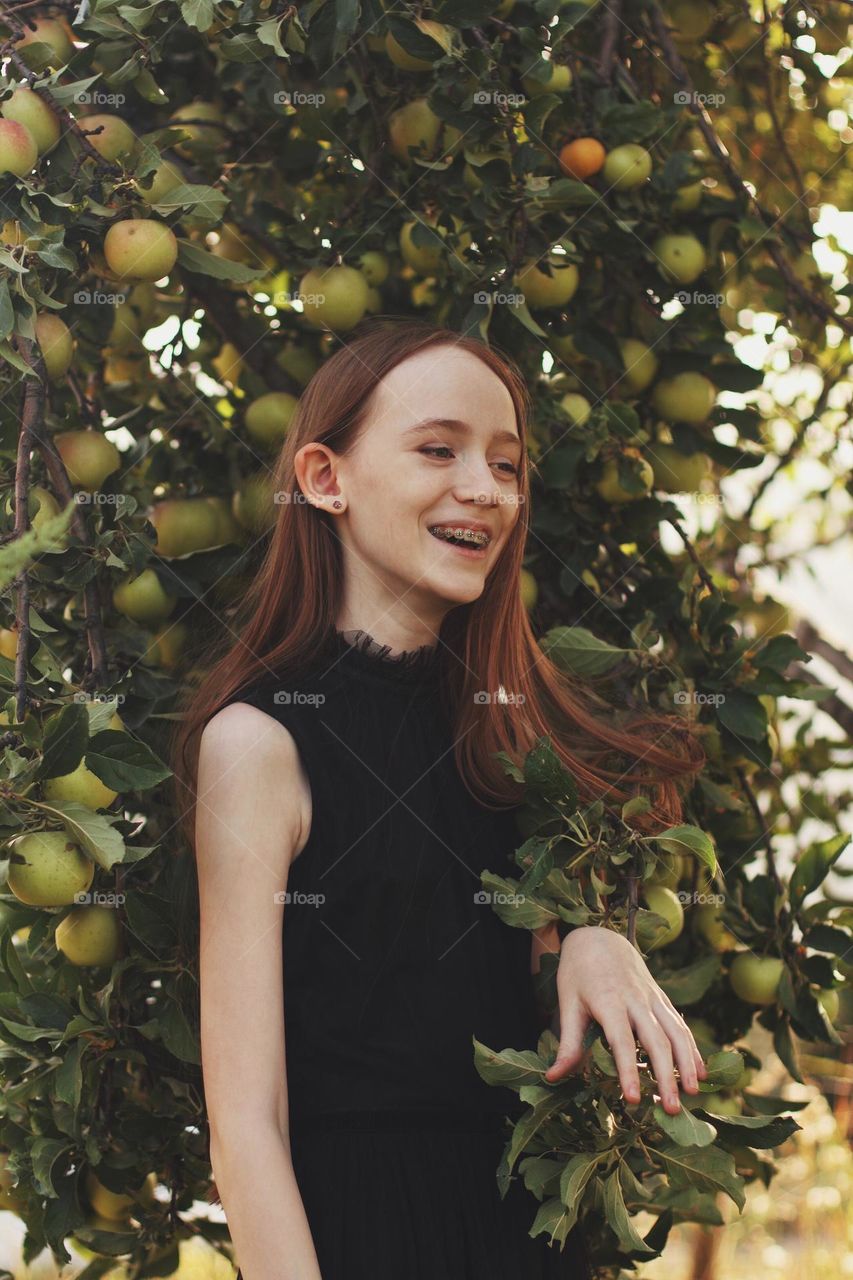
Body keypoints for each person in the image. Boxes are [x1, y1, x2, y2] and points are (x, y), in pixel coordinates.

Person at [173, 317, 709, 1280]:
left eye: (505, 465)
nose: (485, 489)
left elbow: (534, 1019)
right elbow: (247, 1124)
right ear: (324, 478)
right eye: (437, 450)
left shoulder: (509, 741)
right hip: (367, 1238)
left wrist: (591, 940)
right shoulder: (259, 744)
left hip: (525, 1236)